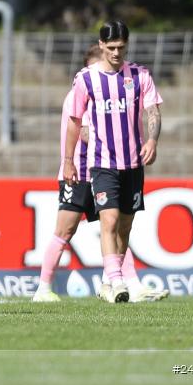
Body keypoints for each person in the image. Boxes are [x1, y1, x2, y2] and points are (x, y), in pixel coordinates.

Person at [34, 45, 167, 303]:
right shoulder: (85, 91)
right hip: (81, 172)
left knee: (114, 225)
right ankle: (43, 287)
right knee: (65, 229)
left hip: (104, 168)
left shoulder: (116, 86)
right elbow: (84, 131)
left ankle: (125, 283)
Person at [63, 21, 163, 304]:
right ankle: (119, 283)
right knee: (109, 218)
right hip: (102, 162)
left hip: (132, 163)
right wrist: (69, 160)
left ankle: (109, 280)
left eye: (121, 47)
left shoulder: (140, 75)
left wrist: (152, 140)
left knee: (125, 227)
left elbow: (152, 111)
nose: (117, 52)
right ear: (102, 45)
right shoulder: (85, 79)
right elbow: (74, 122)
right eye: (111, 47)